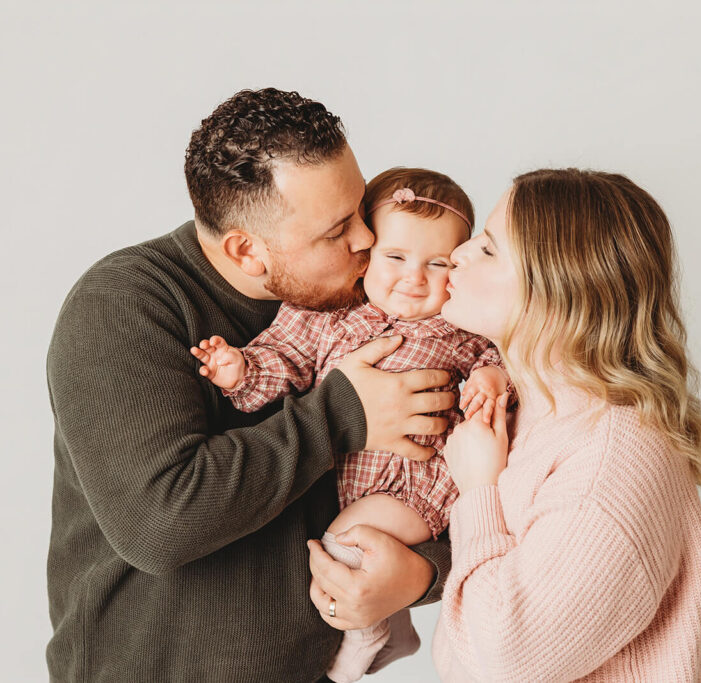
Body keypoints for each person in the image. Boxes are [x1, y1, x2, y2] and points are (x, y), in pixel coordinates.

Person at [45, 88, 454, 683]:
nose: (367, 240)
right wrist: (342, 413)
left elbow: (459, 476)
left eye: (361, 211)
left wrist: (423, 573)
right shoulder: (125, 305)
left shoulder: (371, 302)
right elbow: (159, 524)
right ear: (247, 250)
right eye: (338, 229)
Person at [191, 167, 511, 682]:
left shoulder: (461, 324)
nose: (416, 277)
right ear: (365, 255)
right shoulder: (327, 316)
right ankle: (395, 619)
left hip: (418, 483)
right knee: (334, 538)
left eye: (438, 264)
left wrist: (493, 379)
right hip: (344, 481)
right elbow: (285, 358)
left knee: (347, 541)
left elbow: (503, 358)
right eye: (396, 258)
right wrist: (242, 369)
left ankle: (369, 633)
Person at [431, 168, 701, 681]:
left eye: (490, 249)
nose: (457, 253)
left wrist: (478, 491)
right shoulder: (525, 411)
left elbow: (501, 661)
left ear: (559, 292)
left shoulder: (609, 465)